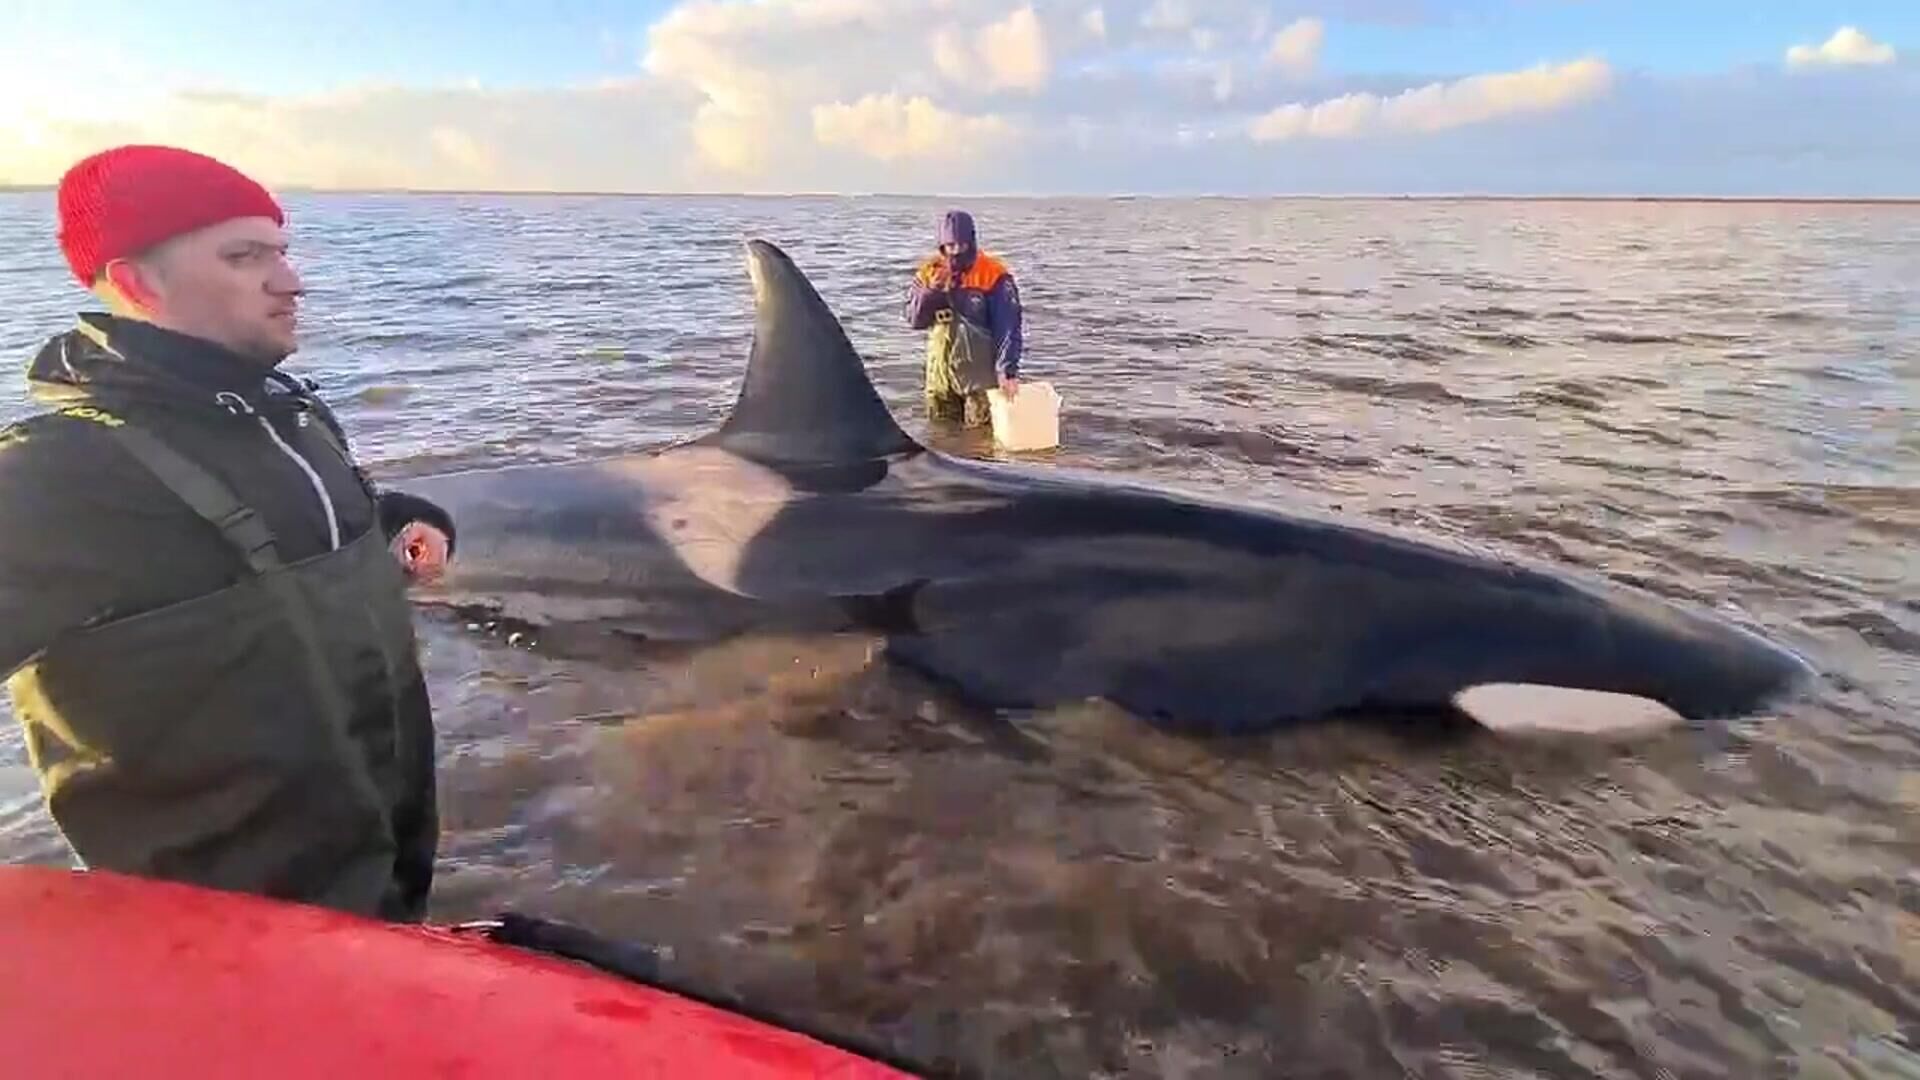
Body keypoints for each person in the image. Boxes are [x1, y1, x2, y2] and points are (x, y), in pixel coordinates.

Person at [0, 144, 456, 922]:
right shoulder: (57, 476)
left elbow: (325, 516)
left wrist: (415, 521)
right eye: (246, 257)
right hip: (217, 946)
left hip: (382, 891)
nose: (291, 280)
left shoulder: (288, 415)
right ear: (138, 283)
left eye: (281, 250)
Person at [904, 210, 1023, 427]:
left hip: (978, 381)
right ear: (942, 246)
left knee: (982, 441)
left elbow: (1008, 327)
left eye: (963, 245)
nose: (957, 251)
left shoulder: (993, 273)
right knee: (941, 439)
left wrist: (1007, 371)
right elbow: (915, 320)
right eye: (950, 246)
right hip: (940, 377)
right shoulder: (928, 272)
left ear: (972, 242)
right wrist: (932, 291)